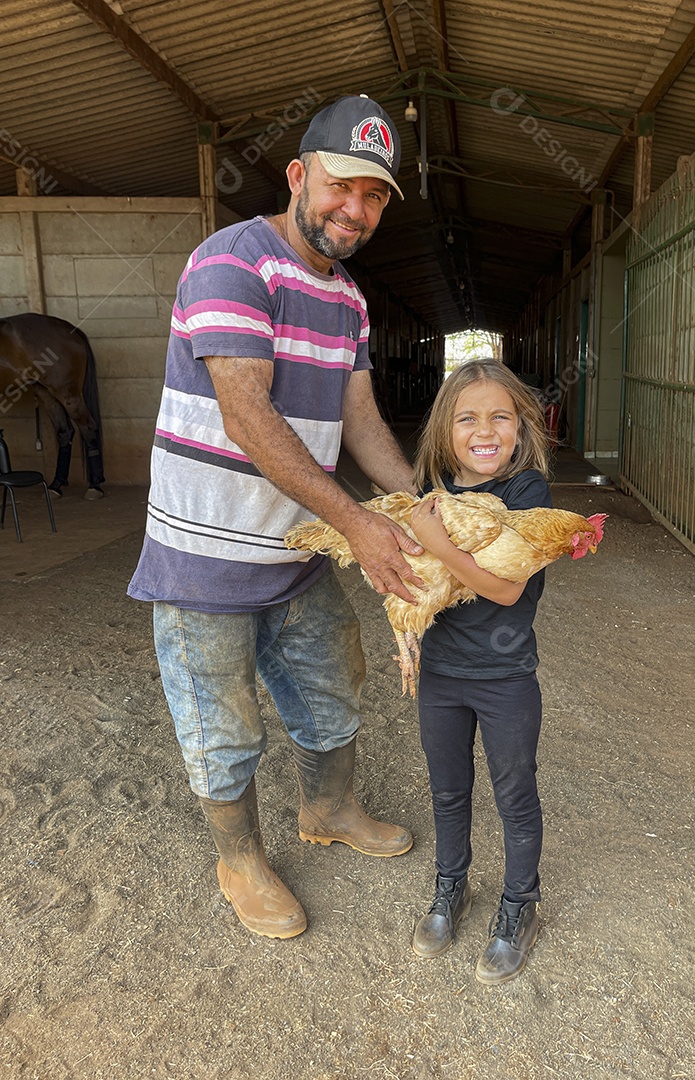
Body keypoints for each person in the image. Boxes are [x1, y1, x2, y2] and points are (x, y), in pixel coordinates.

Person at [127, 95, 425, 940]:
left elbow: (361, 420)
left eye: (374, 198)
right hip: (203, 556)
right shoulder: (233, 263)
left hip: (295, 549)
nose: (355, 211)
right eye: (342, 187)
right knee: (223, 721)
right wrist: (361, 525)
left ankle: (329, 809)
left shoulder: (349, 299)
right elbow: (247, 416)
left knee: (334, 684)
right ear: (298, 175)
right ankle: (240, 859)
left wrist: (413, 504)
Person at [407, 359, 551, 985]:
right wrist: (404, 633)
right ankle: (451, 887)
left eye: (500, 416)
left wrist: (435, 540)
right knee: (447, 790)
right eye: (468, 418)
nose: (484, 430)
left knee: (515, 795)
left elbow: (508, 591)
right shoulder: (431, 493)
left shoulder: (527, 494)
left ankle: (520, 906)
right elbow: (417, 583)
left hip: (505, 676)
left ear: (520, 427)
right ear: (445, 429)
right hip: (441, 674)